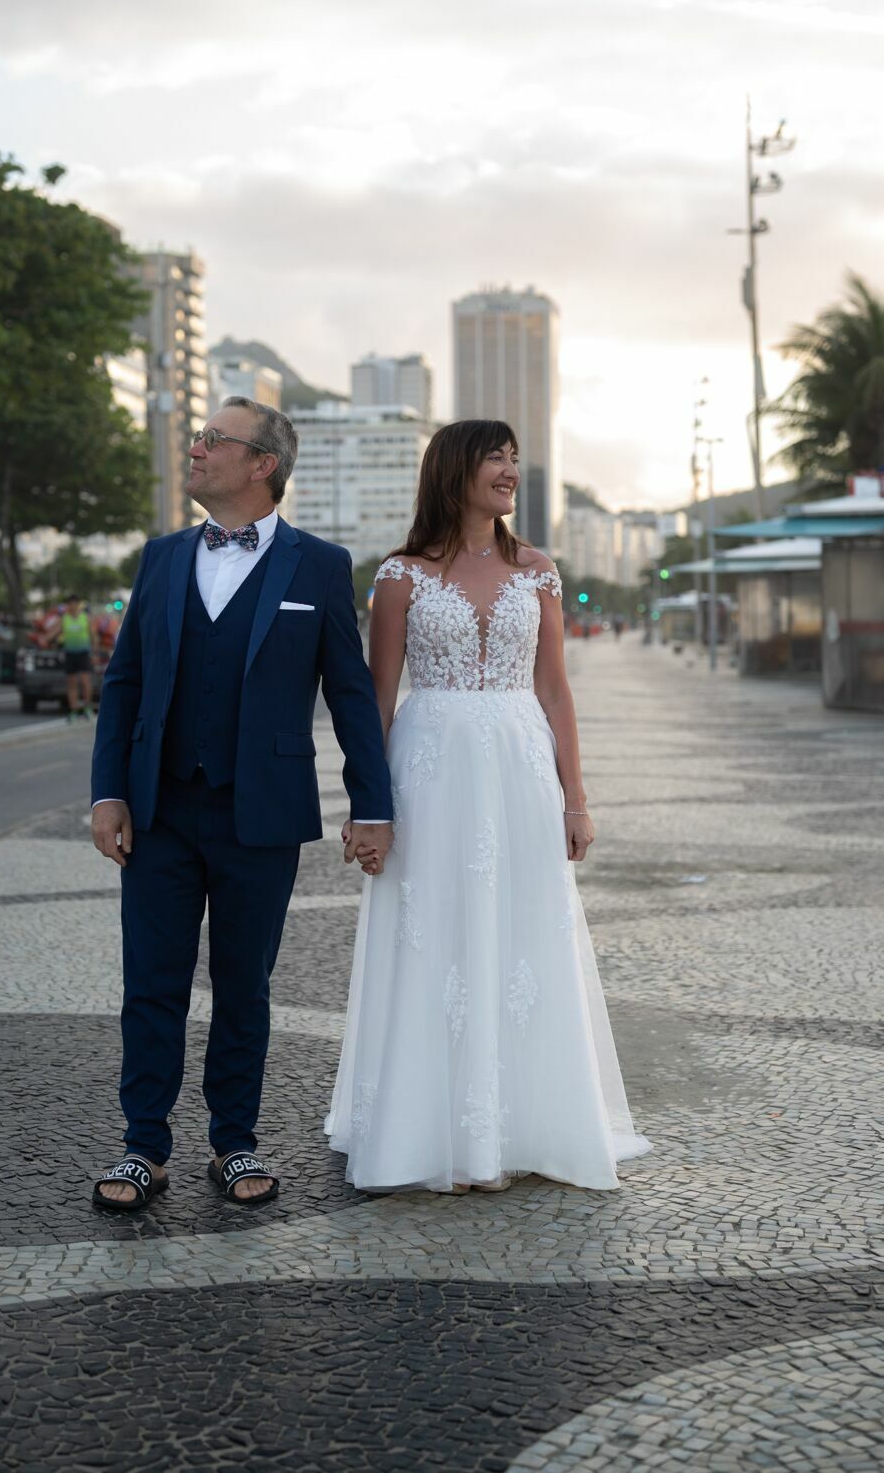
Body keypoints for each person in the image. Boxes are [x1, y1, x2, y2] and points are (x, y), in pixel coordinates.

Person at [326, 420, 651, 1194]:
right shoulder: (399, 576)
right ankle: (427, 1127)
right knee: (430, 933)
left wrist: (577, 797)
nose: (509, 470)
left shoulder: (539, 570)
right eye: (494, 458)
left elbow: (555, 689)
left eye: (513, 458)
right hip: (429, 769)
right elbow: (376, 699)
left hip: (519, 766)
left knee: (523, 936)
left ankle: (523, 1123)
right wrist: (367, 805)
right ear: (454, 471)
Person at [89, 396, 393, 1213]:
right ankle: (142, 1148)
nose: (195, 448)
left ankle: (235, 1142)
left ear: (263, 465)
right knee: (150, 984)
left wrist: (373, 804)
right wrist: (108, 791)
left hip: (260, 810)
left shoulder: (321, 565)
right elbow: (123, 688)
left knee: (244, 985)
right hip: (157, 810)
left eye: (213, 439)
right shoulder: (157, 559)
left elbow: (352, 695)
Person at [60, 593, 94, 720]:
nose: (72, 606)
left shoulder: (85, 617)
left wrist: (94, 650)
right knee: (72, 683)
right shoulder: (64, 618)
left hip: (83, 653)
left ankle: (87, 708)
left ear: (78, 604)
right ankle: (74, 710)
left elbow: (92, 634)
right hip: (70, 653)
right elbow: (54, 632)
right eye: (70, 604)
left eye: (74, 603)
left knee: (85, 682)